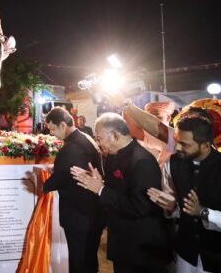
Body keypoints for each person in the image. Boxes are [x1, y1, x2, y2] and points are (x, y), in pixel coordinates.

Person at [147, 112, 221, 273]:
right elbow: (177, 208)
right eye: (177, 142)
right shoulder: (172, 164)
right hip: (187, 256)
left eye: (185, 144)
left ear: (206, 145)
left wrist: (204, 212)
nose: (177, 147)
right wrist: (172, 207)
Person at [71, 113, 171, 272]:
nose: (98, 142)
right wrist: (100, 183)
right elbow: (114, 191)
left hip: (142, 247)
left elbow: (141, 207)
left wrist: (101, 189)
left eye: (99, 137)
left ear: (115, 135)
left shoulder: (142, 161)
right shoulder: (112, 157)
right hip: (123, 242)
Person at [41, 107, 104, 273]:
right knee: (89, 259)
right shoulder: (84, 138)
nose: (52, 133)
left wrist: (42, 186)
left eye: (53, 129)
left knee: (79, 262)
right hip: (92, 212)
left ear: (63, 125)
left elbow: (60, 178)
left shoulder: (72, 147)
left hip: (80, 214)